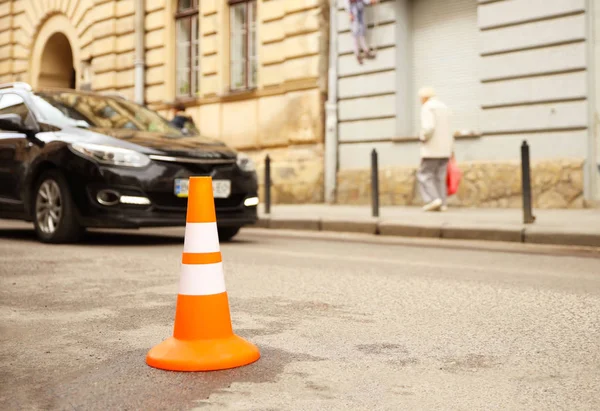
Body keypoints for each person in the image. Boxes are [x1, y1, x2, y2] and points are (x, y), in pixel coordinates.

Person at [416, 87, 454, 212]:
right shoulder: (444, 107)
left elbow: (429, 127)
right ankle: (442, 203)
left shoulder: (427, 107)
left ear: (424, 97)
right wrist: (451, 149)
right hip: (445, 150)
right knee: (440, 176)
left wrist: (422, 137)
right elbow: (450, 130)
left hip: (432, 149)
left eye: (420, 98)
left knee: (424, 174)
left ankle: (433, 199)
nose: (420, 100)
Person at [345, 0, 378, 65]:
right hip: (354, 15)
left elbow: (365, 1)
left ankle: (366, 51)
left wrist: (371, 2)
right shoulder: (350, 4)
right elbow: (346, 4)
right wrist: (350, 13)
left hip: (360, 14)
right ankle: (357, 54)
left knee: (361, 33)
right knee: (356, 36)